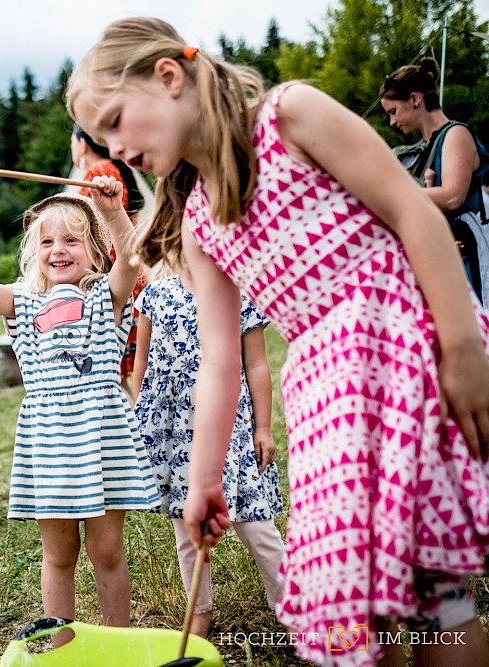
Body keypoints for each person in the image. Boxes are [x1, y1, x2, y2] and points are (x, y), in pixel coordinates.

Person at [68, 17, 489, 666]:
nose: (115, 147)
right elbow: (219, 358)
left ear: (169, 77)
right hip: (328, 387)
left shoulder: (289, 114)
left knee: (435, 589)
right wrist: (205, 481)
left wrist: (461, 346)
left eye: (117, 121)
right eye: (103, 137)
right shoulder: (201, 218)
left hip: (398, 341)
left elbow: (411, 209)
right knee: (350, 598)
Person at [0, 186, 158, 637]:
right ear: (34, 252)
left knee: (107, 550)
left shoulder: (105, 298)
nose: (58, 249)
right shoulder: (23, 301)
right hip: (51, 442)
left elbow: (130, 258)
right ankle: (63, 640)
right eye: (47, 241)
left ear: (94, 248)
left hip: (100, 436)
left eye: (71, 240)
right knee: (58, 554)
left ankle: (119, 640)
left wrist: (111, 213)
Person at [132, 269, 285, 637]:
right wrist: (142, 411)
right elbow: (142, 359)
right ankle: (199, 610)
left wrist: (262, 428)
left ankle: (290, 604)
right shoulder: (155, 294)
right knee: (186, 530)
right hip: (173, 429)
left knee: (256, 525)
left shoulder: (239, 290)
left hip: (230, 426)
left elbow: (257, 364)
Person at [380, 57, 489, 306]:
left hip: (465, 251)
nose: (392, 122)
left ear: (415, 99)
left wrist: (389, 197)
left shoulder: (456, 134)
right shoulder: (418, 149)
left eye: (393, 112)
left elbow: (452, 195)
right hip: (437, 252)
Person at [73, 124, 150, 399]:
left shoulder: (99, 173)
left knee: (112, 378)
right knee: (120, 379)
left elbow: (91, 233)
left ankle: (131, 435)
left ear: (82, 144)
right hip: (127, 277)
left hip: (116, 281)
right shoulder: (114, 169)